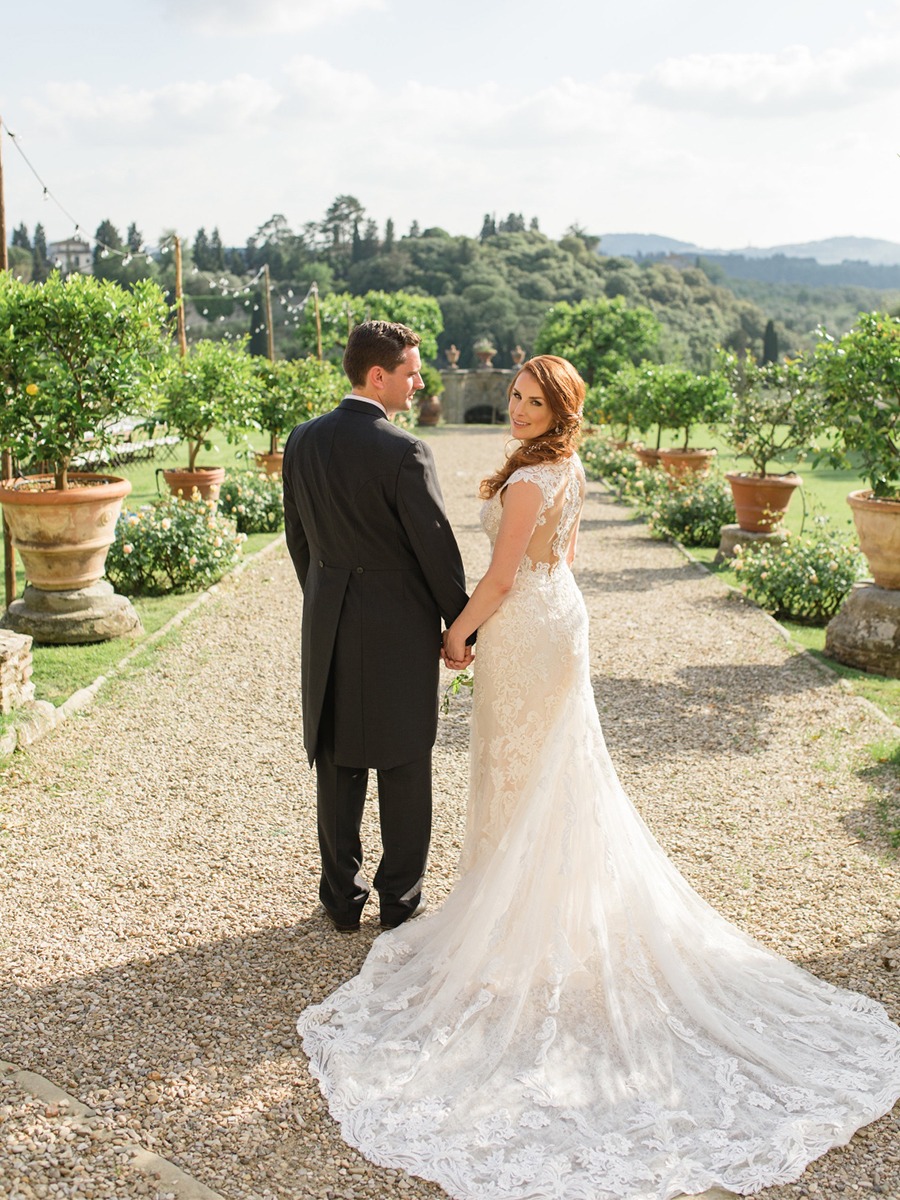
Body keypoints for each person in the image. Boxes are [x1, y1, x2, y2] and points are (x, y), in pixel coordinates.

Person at [298, 355, 900, 1199]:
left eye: (532, 401)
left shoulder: (522, 484)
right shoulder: (567, 466)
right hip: (561, 620)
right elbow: (563, 558)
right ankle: (549, 904)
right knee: (555, 772)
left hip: (524, 625)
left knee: (522, 771)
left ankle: (518, 921)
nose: (516, 409)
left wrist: (458, 634)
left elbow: (503, 578)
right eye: (513, 396)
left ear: (559, 410)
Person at [282, 320, 471, 933]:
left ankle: (339, 900)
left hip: (329, 616)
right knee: (405, 760)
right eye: (412, 371)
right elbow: (436, 550)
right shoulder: (404, 449)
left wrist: (325, 592)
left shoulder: (301, 441)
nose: (419, 382)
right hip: (396, 625)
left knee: (337, 760)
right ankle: (400, 904)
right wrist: (462, 625)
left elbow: (299, 539)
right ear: (378, 376)